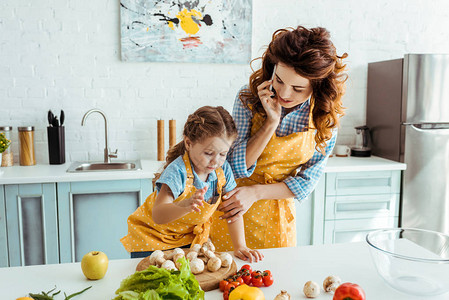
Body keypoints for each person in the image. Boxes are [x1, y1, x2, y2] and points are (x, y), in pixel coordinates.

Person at [210, 26, 348, 251]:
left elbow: (306, 182)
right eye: (280, 80)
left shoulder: (326, 117)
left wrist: (256, 193)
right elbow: (235, 167)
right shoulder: (248, 98)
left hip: (277, 216)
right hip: (232, 207)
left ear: (317, 85)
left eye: (297, 88)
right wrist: (271, 122)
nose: (284, 94)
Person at [120, 106, 263, 262]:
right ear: (188, 143)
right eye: (209, 153)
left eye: (223, 154)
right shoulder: (177, 172)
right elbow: (158, 214)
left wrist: (240, 246)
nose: (216, 161)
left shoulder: (223, 171)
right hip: (151, 239)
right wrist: (185, 205)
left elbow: (232, 210)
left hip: (186, 239)